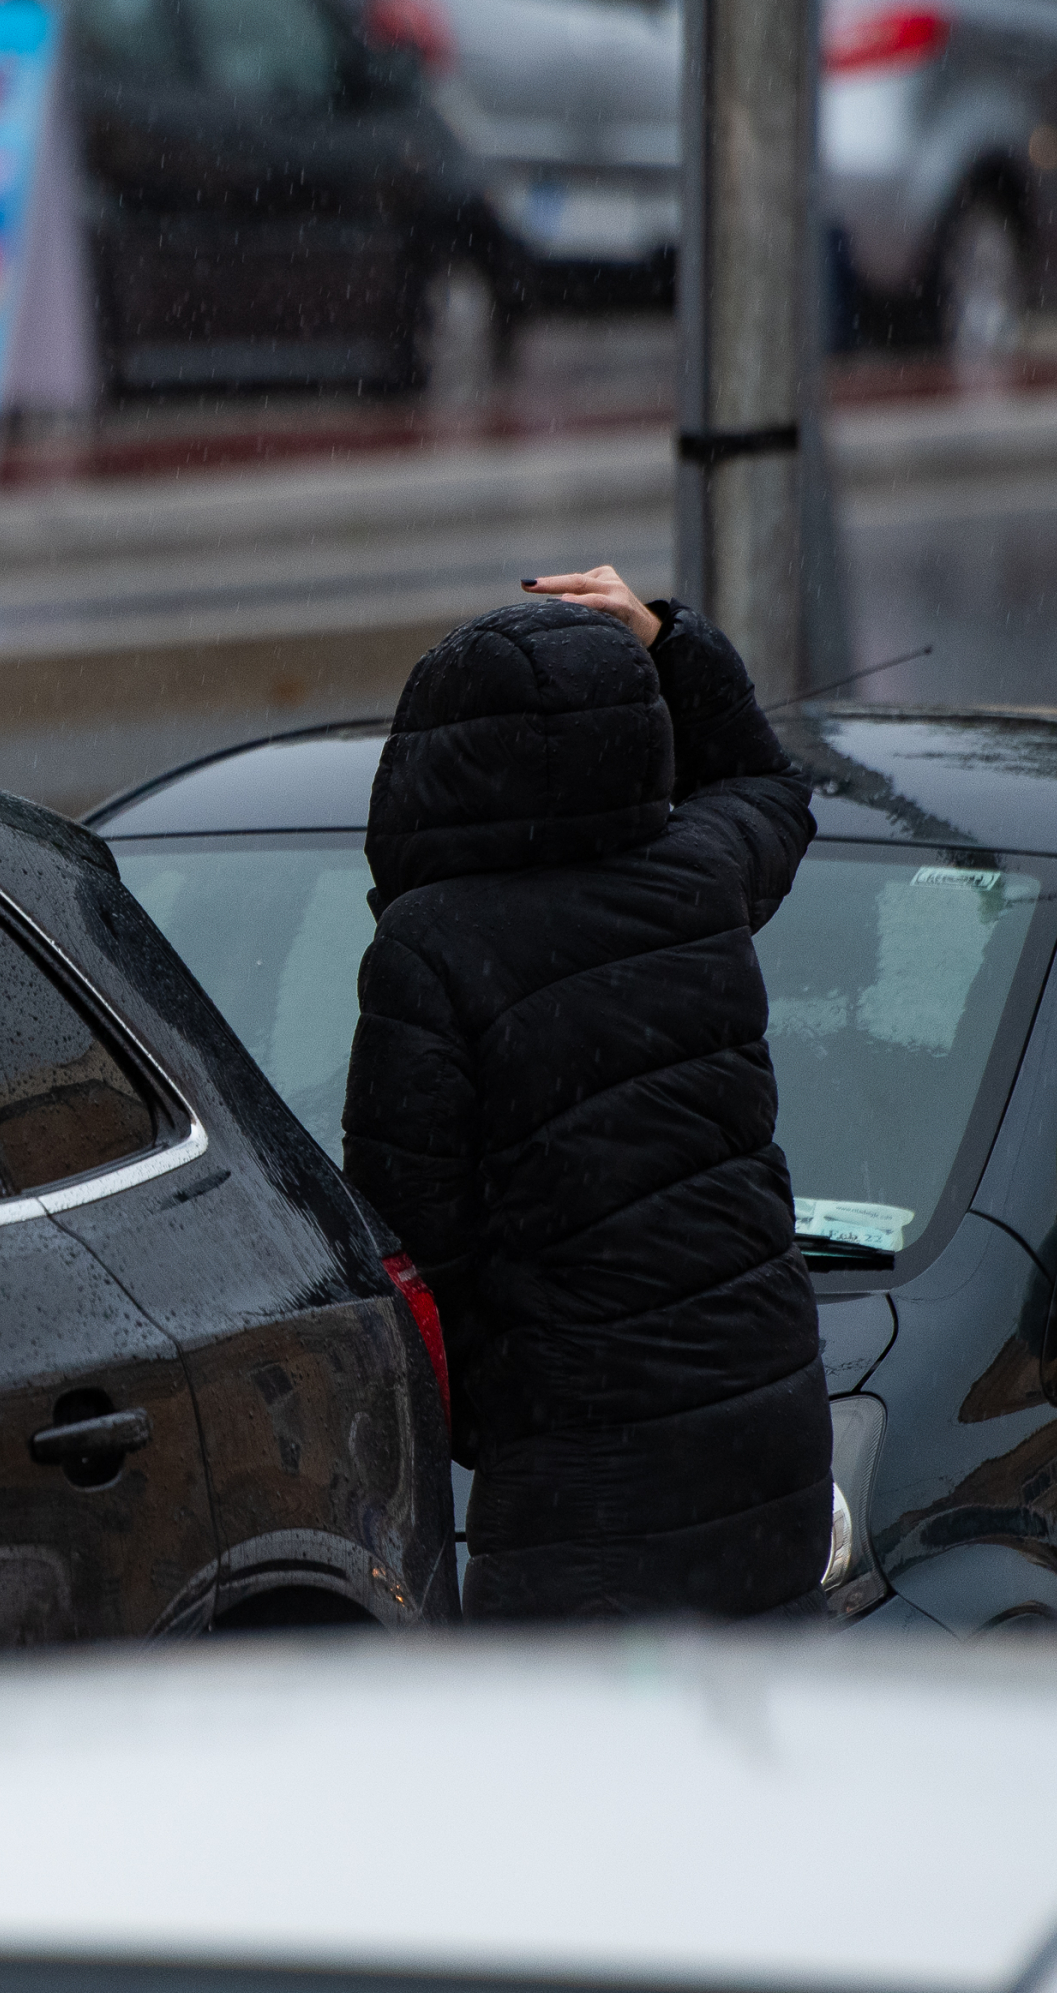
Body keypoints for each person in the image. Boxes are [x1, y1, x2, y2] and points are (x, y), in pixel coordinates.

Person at [341, 564, 832, 1620]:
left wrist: (493, 1418)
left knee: (570, 1768)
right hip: (771, 1449)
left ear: (435, 760)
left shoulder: (432, 949)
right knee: (759, 1756)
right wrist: (667, 639)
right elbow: (771, 790)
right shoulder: (695, 879)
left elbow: (415, 1239)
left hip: (584, 1475)